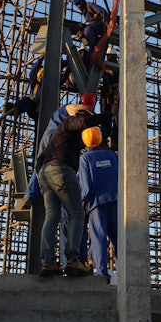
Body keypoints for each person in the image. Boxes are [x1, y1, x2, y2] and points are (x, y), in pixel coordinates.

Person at [36, 103, 112, 277]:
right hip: (61, 171)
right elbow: (84, 123)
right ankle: (73, 260)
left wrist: (42, 180)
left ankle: (47, 262)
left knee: (52, 216)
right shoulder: (69, 122)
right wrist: (110, 114)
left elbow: (41, 158)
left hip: (46, 174)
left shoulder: (61, 136)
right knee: (77, 214)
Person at [78, 127, 119, 284]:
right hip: (115, 200)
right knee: (119, 238)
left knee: (98, 238)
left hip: (97, 203)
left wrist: (83, 202)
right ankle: (124, 271)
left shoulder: (86, 158)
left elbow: (86, 187)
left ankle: (102, 274)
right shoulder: (113, 155)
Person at [70, 0, 109, 65]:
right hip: (95, 27)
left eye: (78, 3)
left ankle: (93, 49)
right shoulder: (85, 12)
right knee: (84, 32)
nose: (78, 6)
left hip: (100, 24)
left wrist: (107, 26)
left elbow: (102, 11)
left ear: (82, 1)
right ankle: (92, 48)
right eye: (76, 5)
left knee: (88, 30)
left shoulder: (89, 5)